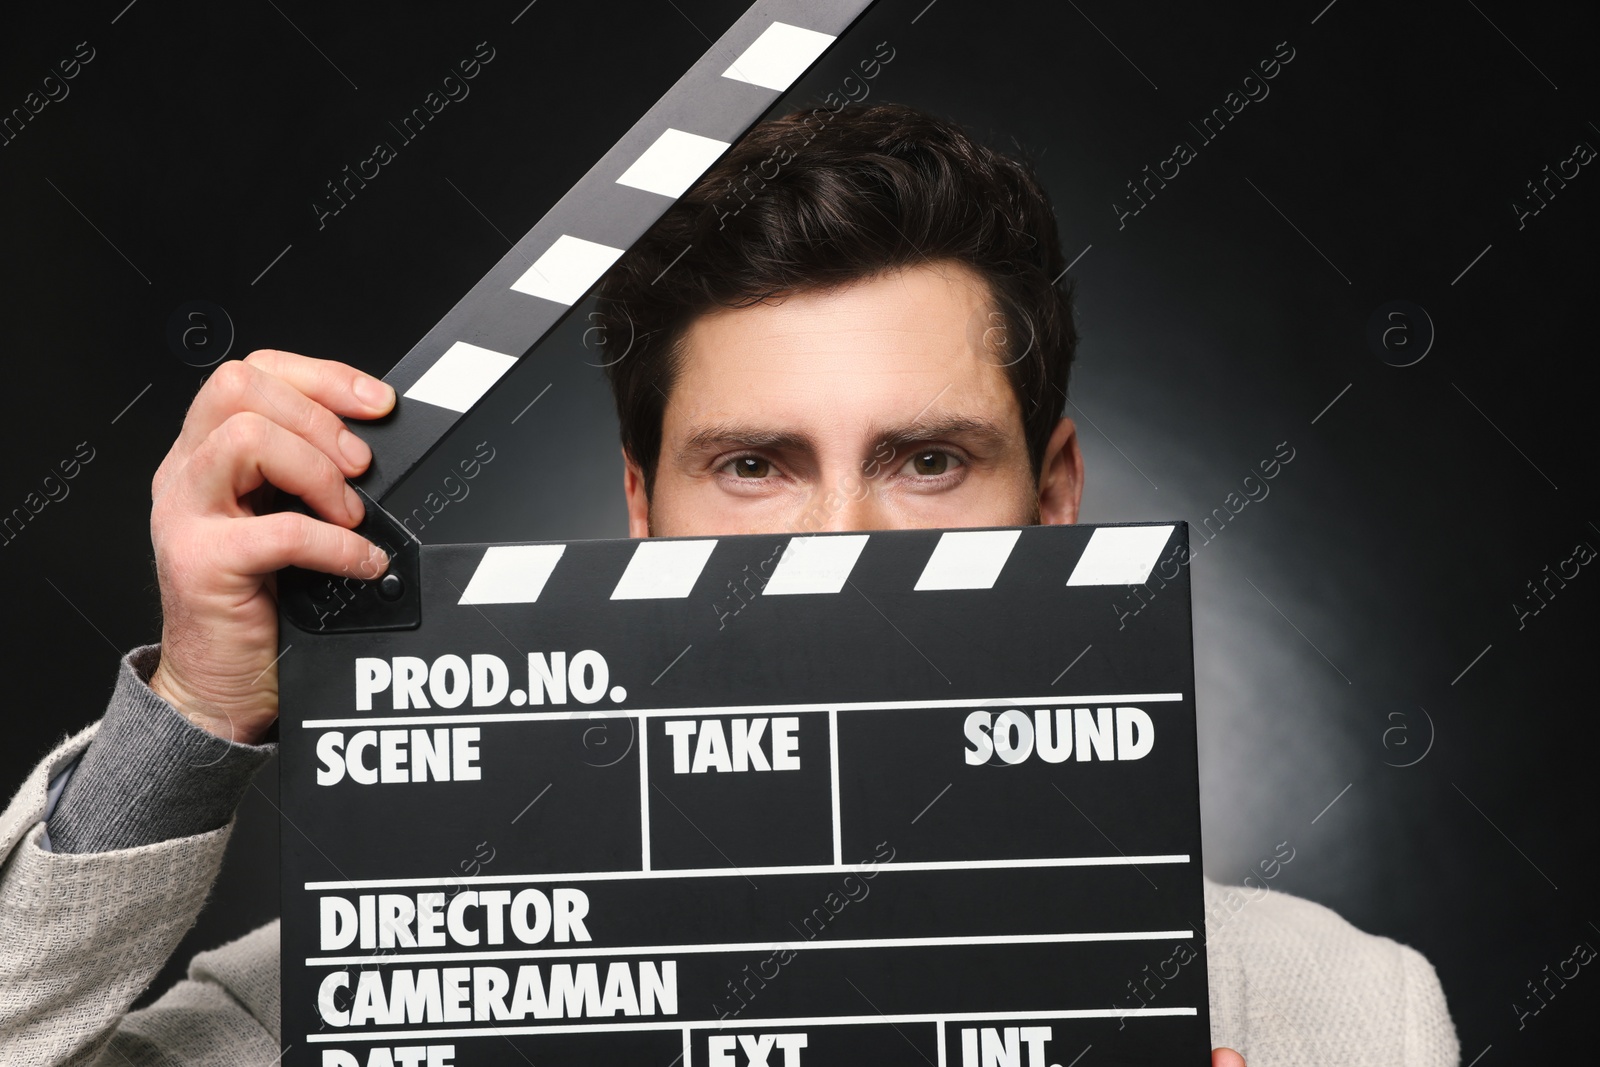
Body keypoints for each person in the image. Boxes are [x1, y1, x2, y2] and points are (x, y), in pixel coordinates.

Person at [0, 103, 1459, 1066]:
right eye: (754, 464)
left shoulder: (1338, 1014)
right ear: (644, 511)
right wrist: (195, 706)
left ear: (1056, 500)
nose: (838, 544)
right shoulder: (371, 995)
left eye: (930, 459)